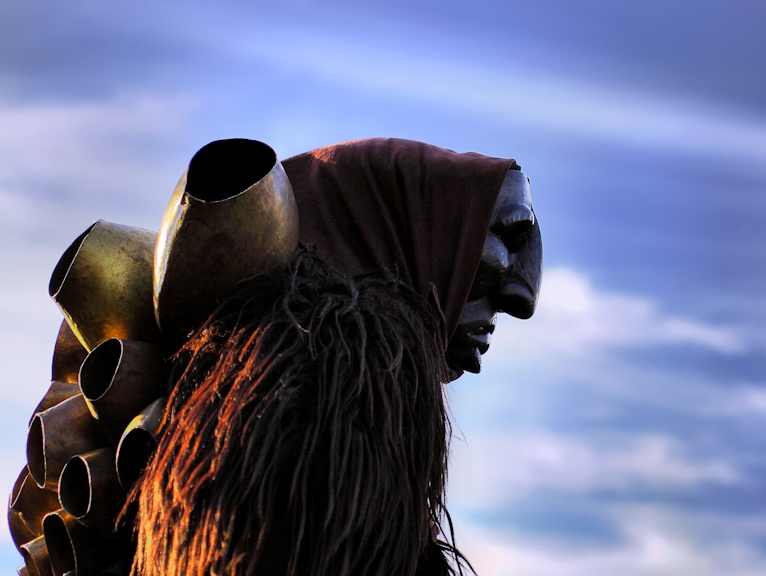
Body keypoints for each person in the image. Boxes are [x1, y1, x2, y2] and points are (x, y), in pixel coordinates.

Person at [130, 138, 543, 576]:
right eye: (505, 232)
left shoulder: (259, 377)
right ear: (401, 222)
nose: (520, 296)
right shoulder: (341, 380)